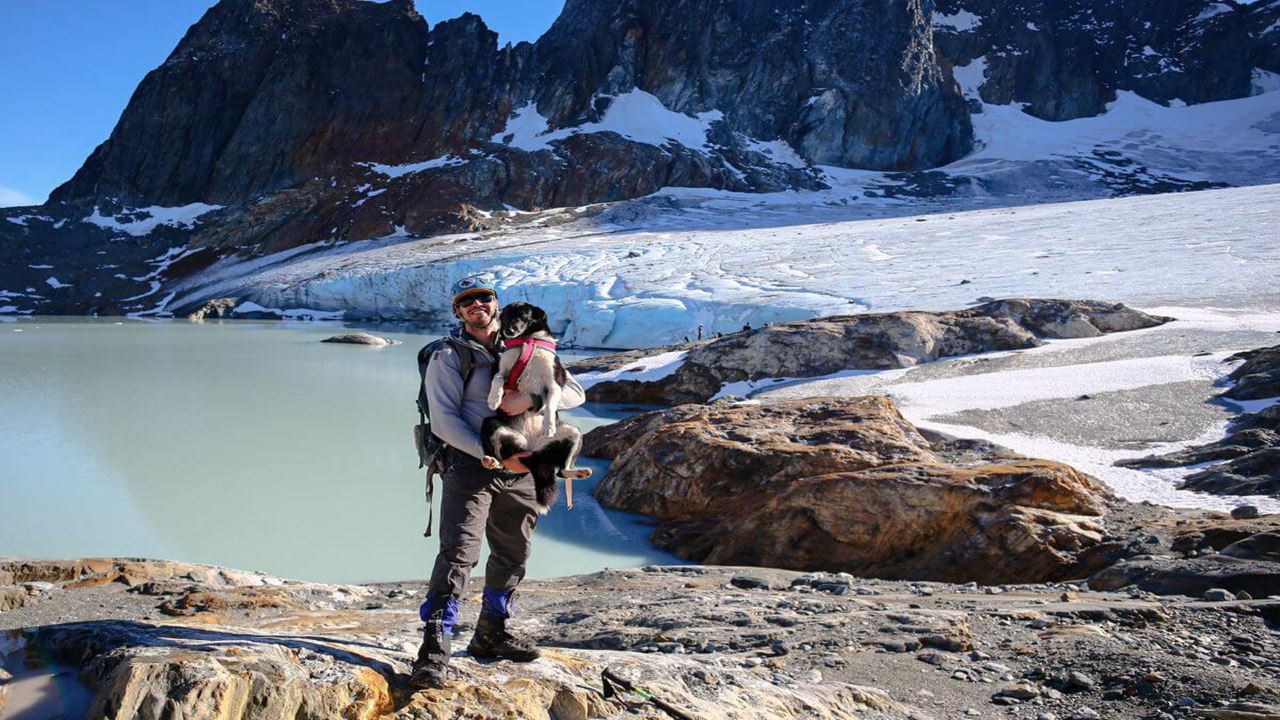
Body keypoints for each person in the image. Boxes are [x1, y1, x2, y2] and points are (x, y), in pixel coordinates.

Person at [409, 274, 586, 689]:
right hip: (473, 465)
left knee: (513, 551)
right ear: (458, 311)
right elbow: (444, 420)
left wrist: (532, 399)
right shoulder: (449, 356)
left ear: (496, 304)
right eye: (467, 301)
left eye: (484, 299)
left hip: (523, 467)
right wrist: (487, 453)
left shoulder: (528, 345)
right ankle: (434, 651)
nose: (477, 306)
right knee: (459, 555)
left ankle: (492, 633)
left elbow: (575, 391)